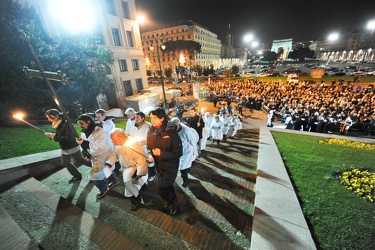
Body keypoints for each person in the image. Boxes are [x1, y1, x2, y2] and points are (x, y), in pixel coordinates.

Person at [147, 107, 182, 216]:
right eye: (151, 117)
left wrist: (161, 153)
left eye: (154, 118)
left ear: (162, 118)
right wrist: (150, 155)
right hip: (159, 166)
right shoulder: (151, 130)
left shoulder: (171, 132)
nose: (152, 120)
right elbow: (149, 147)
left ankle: (173, 204)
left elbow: (178, 153)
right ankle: (173, 202)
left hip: (171, 166)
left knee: (162, 189)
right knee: (168, 186)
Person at [76, 114, 119, 199]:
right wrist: (85, 154)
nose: (80, 126)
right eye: (79, 123)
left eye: (81, 123)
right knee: (106, 169)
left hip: (103, 155)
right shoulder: (84, 131)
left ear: (88, 122)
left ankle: (103, 189)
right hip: (94, 156)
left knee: (94, 175)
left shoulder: (100, 131)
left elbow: (100, 147)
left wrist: (84, 143)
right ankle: (114, 180)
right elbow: (83, 145)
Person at [106, 128, 147, 211]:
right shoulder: (116, 143)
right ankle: (143, 187)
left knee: (127, 182)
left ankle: (136, 198)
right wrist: (109, 163)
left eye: (113, 140)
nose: (112, 142)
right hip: (125, 166)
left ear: (120, 138)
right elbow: (113, 154)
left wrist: (139, 172)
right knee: (132, 182)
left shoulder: (133, 144)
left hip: (133, 166)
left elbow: (141, 159)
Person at [44, 109, 88, 183]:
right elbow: (60, 134)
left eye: (50, 118)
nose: (49, 120)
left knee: (81, 160)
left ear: (57, 116)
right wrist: (51, 135)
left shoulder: (66, 124)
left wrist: (54, 137)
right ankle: (77, 175)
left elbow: (69, 138)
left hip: (72, 146)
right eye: (48, 118)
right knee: (65, 163)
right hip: (64, 147)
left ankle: (98, 167)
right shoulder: (58, 123)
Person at [170, 117, 199, 188]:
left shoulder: (186, 131)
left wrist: (195, 153)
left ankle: (185, 180)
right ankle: (187, 169)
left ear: (178, 125)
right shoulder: (171, 129)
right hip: (177, 152)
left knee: (182, 168)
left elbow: (193, 141)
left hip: (186, 152)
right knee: (183, 166)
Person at [130, 111, 156, 182]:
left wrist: (143, 142)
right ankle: (142, 172)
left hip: (147, 148)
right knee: (139, 161)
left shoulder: (149, 126)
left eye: (137, 117)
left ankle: (152, 173)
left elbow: (153, 139)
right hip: (137, 148)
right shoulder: (135, 126)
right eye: (135, 117)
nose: (136, 119)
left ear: (143, 118)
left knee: (149, 161)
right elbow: (132, 134)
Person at [95, 109, 121, 177]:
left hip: (110, 145)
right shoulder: (101, 123)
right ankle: (110, 175)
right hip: (104, 146)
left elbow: (110, 135)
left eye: (99, 117)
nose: (97, 119)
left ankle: (115, 173)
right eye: (96, 117)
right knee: (108, 161)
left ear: (104, 116)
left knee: (112, 159)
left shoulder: (109, 123)